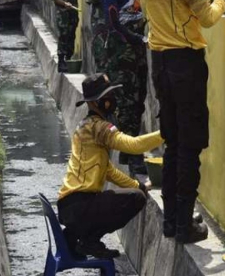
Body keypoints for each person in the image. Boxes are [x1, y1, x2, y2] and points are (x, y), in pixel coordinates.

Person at [144, 0, 225, 244]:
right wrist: (223, 0)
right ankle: (185, 225)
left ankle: (171, 221)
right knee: (190, 145)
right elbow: (206, 15)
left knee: (172, 142)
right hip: (186, 64)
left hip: (160, 63)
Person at [57, 73, 163, 259]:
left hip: (69, 207)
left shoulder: (86, 126)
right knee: (136, 199)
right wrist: (166, 133)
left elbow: (109, 171)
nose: (112, 101)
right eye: (108, 97)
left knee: (136, 192)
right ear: (96, 102)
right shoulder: (99, 128)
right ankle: (89, 241)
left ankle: (75, 236)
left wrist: (137, 185)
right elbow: (134, 145)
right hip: (80, 205)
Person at [95, 0, 149, 176]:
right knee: (126, 102)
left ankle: (130, 150)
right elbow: (114, 24)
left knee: (140, 98)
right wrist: (136, 39)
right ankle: (133, 155)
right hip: (120, 47)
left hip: (137, 42)